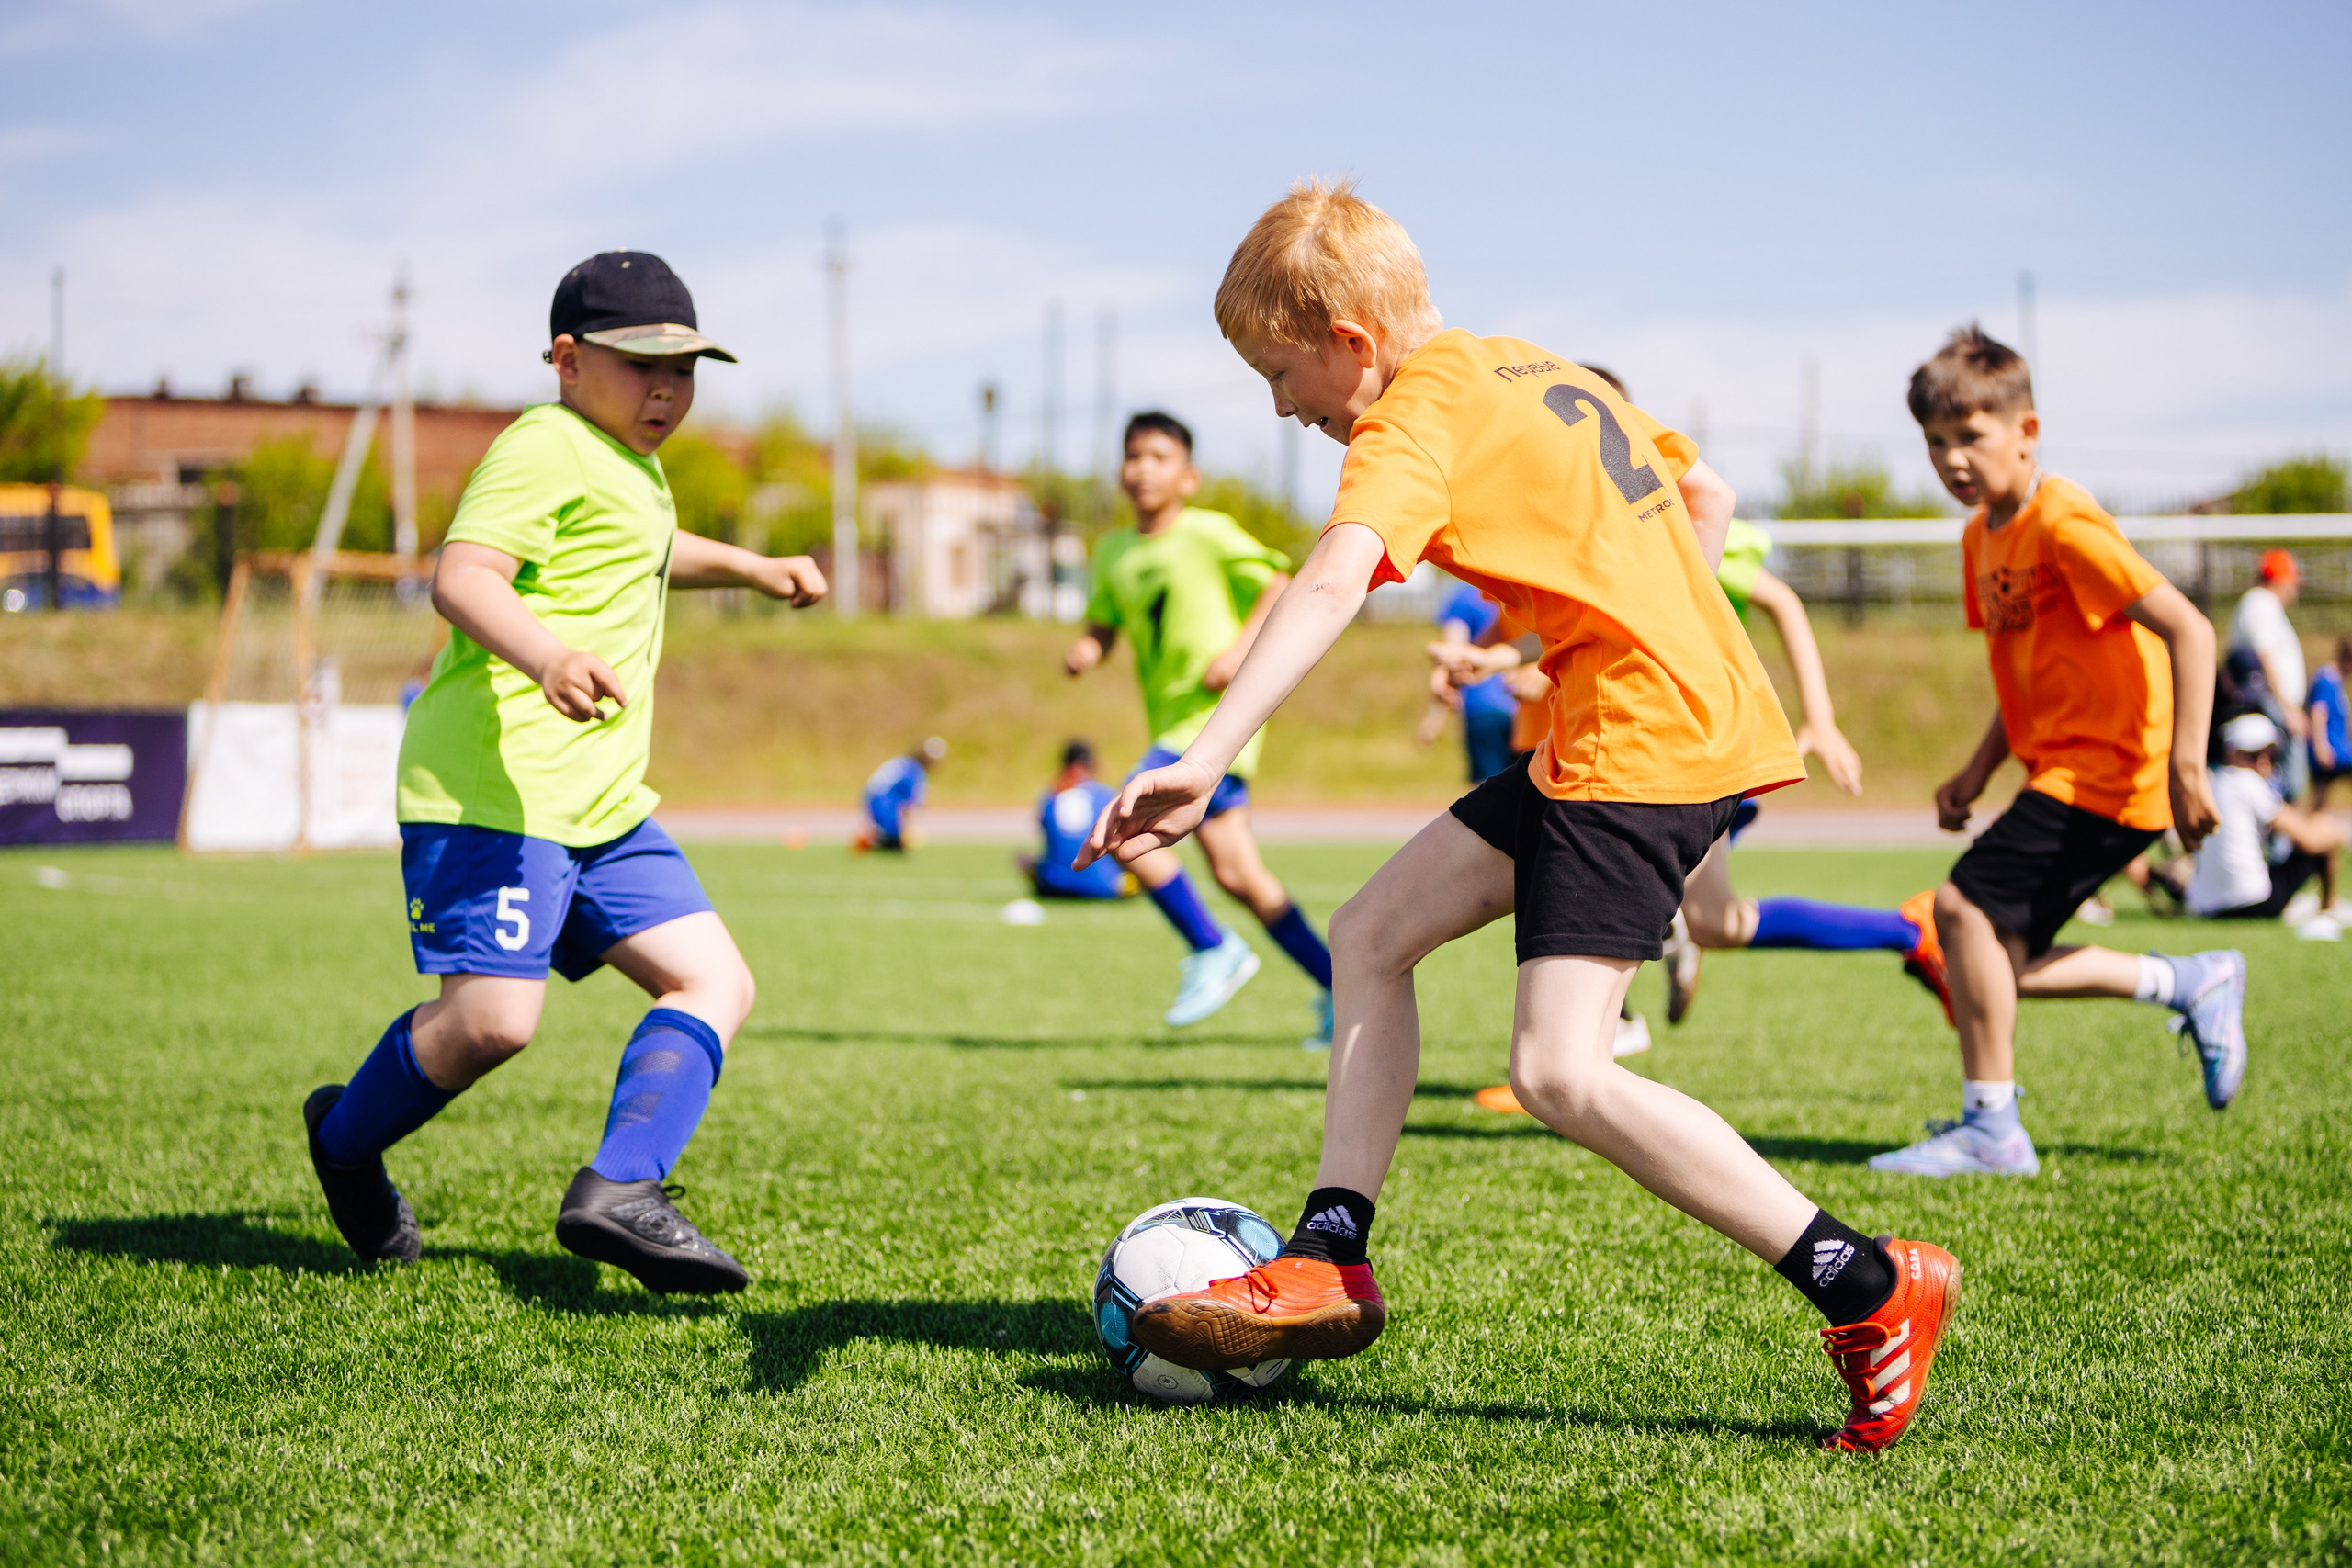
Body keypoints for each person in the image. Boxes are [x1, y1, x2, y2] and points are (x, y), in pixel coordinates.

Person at [1080, 180, 1959, 1453]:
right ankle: (1332, 1253)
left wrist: (1208, 754)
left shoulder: (1409, 417)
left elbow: (1334, 573)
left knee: (1559, 1068)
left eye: (1280, 371)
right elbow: (1702, 497)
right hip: (1633, 717)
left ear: (1349, 337)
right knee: (1373, 927)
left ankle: (1871, 1287)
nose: (1284, 406)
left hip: (1637, 743)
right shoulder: (1537, 365)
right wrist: (1592, 629)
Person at [303, 252, 827, 1291]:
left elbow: (653, 544)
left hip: (599, 808)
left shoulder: (631, 468)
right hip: (496, 795)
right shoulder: (545, 445)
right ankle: (345, 1142)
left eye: (685, 369)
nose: (667, 389)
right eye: (643, 366)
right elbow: (463, 576)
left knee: (714, 979)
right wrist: (545, 655)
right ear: (567, 360)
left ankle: (623, 1188)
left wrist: (755, 569)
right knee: (496, 1023)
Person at [1869, 326, 2239, 1182]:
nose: (1953, 458)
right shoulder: (1979, 540)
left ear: (2025, 432)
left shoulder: (2065, 522)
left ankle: (1992, 1129)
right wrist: (1976, 769)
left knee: (1959, 911)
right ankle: (2189, 983)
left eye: (1972, 436)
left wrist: (2187, 766)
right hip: (2062, 768)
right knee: (1993, 961)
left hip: (2117, 768)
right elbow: (2025, 672)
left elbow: (2190, 628)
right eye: (1935, 442)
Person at [1064, 412, 1335, 1043]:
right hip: (1173, 720)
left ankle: (1213, 947)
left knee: (1122, 826)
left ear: (1189, 477)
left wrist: (1241, 650)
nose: (1142, 469)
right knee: (1242, 877)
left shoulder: (1208, 533)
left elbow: (1278, 582)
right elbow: (1105, 620)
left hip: (1211, 722)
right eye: (1133, 456)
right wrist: (1088, 647)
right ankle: (1340, 987)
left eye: (1159, 457)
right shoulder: (1113, 551)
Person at [2146, 713, 2343, 932]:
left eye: (2270, 755)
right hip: (2253, 902)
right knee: (2324, 833)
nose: (2264, 763)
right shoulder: (2246, 781)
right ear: (2233, 753)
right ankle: (2329, 908)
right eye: (2254, 755)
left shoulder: (2212, 780)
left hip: (2205, 906)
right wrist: (2333, 832)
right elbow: (2309, 840)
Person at [1417, 581, 1518, 784]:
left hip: (1483, 705)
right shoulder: (1522, 587)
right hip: (1527, 707)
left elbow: (1453, 653)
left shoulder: (1464, 594)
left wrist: (1433, 718)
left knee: (1488, 795)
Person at [2231, 549, 2308, 799]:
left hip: (2275, 703)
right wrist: (2287, 709)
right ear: (2281, 580)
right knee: (2284, 783)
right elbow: (2265, 658)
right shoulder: (2259, 603)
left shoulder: (2264, 605)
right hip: (2272, 704)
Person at [1019, 741, 1133, 899]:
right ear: (1091, 765)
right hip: (1105, 887)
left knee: (1025, 860)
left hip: (1053, 884)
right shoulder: (1106, 795)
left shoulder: (1050, 796)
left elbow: (1046, 834)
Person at [855, 737, 946, 852]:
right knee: (894, 842)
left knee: (888, 834)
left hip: (873, 796)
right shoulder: (914, 771)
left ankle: (870, 840)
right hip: (883, 799)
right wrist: (905, 830)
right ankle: (867, 841)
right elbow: (910, 805)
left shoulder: (905, 763)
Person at [2305, 635, 2352, 809]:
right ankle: (2307, 832)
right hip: (2332, 750)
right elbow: (2318, 712)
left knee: (2320, 799)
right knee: (2319, 798)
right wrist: (2321, 746)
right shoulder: (2327, 679)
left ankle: (2309, 829)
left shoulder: (2335, 680)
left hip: (2337, 748)